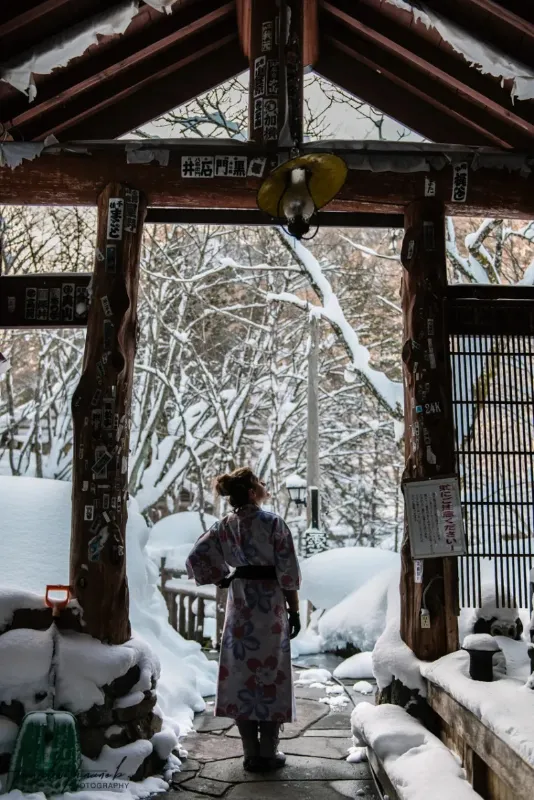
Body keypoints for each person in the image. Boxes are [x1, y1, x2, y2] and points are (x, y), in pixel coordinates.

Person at [186, 467, 301, 773]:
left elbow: (196, 557)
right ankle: (268, 751)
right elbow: (287, 572)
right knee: (271, 673)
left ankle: (250, 753)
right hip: (271, 606)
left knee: (242, 675)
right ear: (252, 492)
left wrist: (224, 578)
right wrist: (295, 610)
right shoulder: (273, 523)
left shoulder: (223, 526)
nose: (265, 486)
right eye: (261, 483)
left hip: (240, 606)